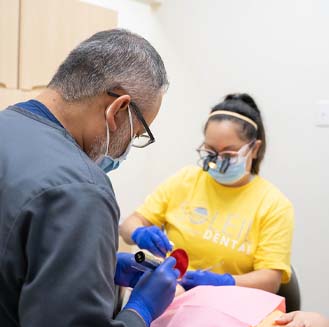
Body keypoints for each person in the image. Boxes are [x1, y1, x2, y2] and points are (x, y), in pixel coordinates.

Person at [0, 29, 180, 327]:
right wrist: (141, 311)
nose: (124, 150)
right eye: (135, 135)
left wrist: (97, 270)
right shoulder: (82, 189)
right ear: (118, 109)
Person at [120, 93, 294, 294]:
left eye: (229, 153)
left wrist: (223, 282)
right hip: (174, 294)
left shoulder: (274, 205)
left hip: (231, 302)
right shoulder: (185, 180)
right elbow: (128, 225)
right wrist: (138, 232)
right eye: (211, 151)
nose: (218, 161)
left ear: (254, 149)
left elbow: (271, 281)